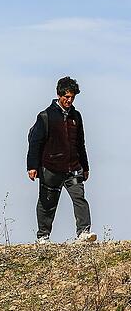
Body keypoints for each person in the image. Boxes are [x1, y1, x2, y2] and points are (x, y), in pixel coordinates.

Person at [27, 76, 95, 244]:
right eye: (66, 97)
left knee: (80, 199)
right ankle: (43, 236)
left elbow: (80, 143)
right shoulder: (45, 116)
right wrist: (32, 166)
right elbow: (35, 142)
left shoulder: (76, 116)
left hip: (73, 168)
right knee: (47, 204)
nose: (69, 100)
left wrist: (85, 167)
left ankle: (84, 233)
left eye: (72, 97)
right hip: (50, 168)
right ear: (59, 95)